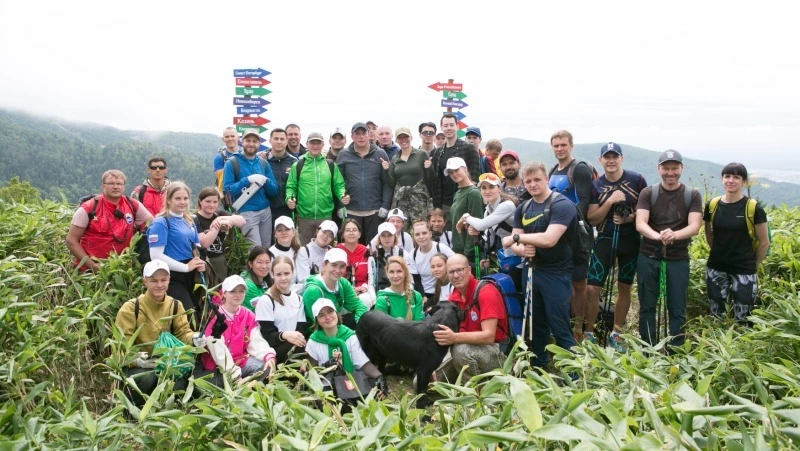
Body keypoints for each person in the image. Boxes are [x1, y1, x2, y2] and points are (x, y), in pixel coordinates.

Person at [502, 161, 578, 368]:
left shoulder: (562, 205)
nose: (533, 184)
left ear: (547, 180)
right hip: (532, 270)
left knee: (559, 323)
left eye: (537, 180)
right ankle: (539, 366)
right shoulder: (524, 208)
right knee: (535, 324)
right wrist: (522, 249)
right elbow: (514, 244)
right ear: (524, 183)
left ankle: (573, 371)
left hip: (556, 273)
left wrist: (519, 241)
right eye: (528, 181)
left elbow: (549, 239)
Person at [635, 150, 702, 349]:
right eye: (666, 168)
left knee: (677, 308)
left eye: (674, 168)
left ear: (681, 168)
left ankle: (676, 351)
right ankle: (648, 350)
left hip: (678, 257)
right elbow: (640, 223)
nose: (670, 173)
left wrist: (674, 235)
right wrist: (659, 237)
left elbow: (694, 226)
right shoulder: (648, 193)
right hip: (648, 255)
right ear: (659, 169)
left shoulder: (692, 195)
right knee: (647, 306)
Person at [114, 260, 202, 407]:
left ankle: (166, 412)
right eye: (154, 281)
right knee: (146, 378)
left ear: (169, 280)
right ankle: (130, 412)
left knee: (179, 375)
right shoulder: (130, 308)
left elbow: (183, 334)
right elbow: (119, 347)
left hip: (167, 363)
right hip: (139, 366)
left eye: (163, 280)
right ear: (145, 282)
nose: (159, 285)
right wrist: (137, 360)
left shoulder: (175, 304)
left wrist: (194, 338)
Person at [586, 143, 647, 349]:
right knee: (592, 288)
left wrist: (630, 218)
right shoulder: (596, 185)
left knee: (624, 286)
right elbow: (593, 219)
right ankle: (588, 333)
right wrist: (611, 201)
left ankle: (617, 333)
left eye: (615, 156)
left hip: (630, 239)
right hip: (604, 238)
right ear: (600, 160)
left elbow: (646, 212)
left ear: (621, 159)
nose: (611, 161)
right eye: (607, 157)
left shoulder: (637, 180)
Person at [704, 162, 769, 322]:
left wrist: (754, 265)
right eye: (727, 176)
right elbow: (709, 233)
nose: (730, 180)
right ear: (722, 179)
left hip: (744, 269)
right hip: (716, 267)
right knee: (716, 315)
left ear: (743, 181)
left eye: (736, 177)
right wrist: (718, 251)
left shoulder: (753, 208)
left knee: (744, 318)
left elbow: (764, 242)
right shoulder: (712, 205)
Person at [547, 130, 593, 342]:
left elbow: (584, 201)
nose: (559, 149)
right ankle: (565, 326)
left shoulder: (580, 169)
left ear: (571, 145)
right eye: (556, 145)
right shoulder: (554, 170)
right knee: (564, 281)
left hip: (576, 234)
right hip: (556, 233)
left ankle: (578, 329)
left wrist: (563, 221)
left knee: (579, 283)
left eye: (563, 145)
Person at [431, 254, 507, 381]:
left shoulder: (486, 292)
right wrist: (432, 364)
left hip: (494, 352)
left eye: (460, 270)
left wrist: (454, 338)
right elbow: (444, 335)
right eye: (451, 272)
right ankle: (466, 382)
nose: (456, 275)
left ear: (469, 270)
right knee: (424, 380)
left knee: (460, 350)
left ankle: (477, 392)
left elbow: (489, 336)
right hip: (466, 349)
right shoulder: (454, 298)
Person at [66, 169, 152, 271]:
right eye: (111, 183)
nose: (115, 187)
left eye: (119, 184)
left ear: (124, 186)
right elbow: (71, 240)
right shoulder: (88, 208)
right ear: (103, 186)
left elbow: (153, 224)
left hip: (123, 268)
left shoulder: (133, 205)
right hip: (90, 271)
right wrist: (92, 265)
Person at [200, 275, 277, 385]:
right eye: (233, 291)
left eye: (241, 291)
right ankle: (241, 385)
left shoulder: (248, 315)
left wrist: (268, 356)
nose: (238, 295)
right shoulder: (215, 316)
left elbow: (256, 341)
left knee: (264, 366)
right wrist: (234, 374)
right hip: (218, 366)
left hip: (240, 360)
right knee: (215, 386)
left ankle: (245, 387)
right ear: (224, 293)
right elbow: (218, 351)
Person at [306, 298, 388, 399]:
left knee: (376, 389)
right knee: (326, 401)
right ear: (317, 320)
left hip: (349, 380)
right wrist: (327, 368)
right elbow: (311, 373)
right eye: (321, 315)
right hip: (326, 385)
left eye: (330, 311)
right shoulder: (314, 341)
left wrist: (380, 376)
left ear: (336, 313)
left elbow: (363, 363)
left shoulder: (349, 336)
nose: (328, 317)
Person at [147, 182, 206, 317]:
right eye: (178, 198)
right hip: (173, 276)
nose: (182, 202)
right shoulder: (161, 222)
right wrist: (186, 267)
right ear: (168, 200)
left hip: (192, 274)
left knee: (199, 312)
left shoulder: (189, 221)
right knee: (188, 316)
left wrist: (200, 263)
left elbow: (197, 247)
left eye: (185, 198)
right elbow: (155, 256)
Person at [286, 132, 349, 243]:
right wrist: (289, 199)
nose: (315, 146)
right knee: (304, 250)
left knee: (326, 250)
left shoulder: (330, 165)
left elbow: (339, 185)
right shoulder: (298, 165)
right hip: (304, 217)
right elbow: (291, 187)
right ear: (307, 144)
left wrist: (342, 195)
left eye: (318, 143)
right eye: (312, 143)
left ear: (323, 144)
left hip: (325, 216)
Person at [336, 122, 393, 243]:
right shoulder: (343, 155)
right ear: (352, 136)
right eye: (357, 134)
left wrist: (385, 205)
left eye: (364, 133)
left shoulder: (380, 154)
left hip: (374, 211)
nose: (361, 137)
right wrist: (340, 205)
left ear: (369, 135)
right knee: (353, 246)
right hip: (351, 210)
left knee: (374, 248)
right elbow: (337, 183)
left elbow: (386, 182)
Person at [222, 129, 280, 248]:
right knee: (255, 249)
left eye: (254, 141)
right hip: (246, 212)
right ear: (242, 142)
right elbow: (227, 190)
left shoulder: (263, 163)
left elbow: (274, 190)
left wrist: (265, 181)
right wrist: (247, 180)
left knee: (266, 246)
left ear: (259, 144)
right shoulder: (232, 163)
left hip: (265, 212)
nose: (251, 144)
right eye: (248, 140)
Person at [255, 256, 307, 363]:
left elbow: (301, 329)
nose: (283, 278)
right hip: (273, 350)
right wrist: (285, 335)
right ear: (272, 275)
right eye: (279, 274)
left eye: (286, 273)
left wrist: (295, 338)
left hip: (293, 345)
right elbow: (267, 336)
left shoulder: (298, 299)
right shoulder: (266, 300)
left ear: (293, 272)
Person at [302, 248, 368, 329]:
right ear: (324, 265)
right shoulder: (313, 291)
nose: (337, 270)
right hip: (317, 333)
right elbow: (317, 325)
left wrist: (360, 326)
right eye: (334, 265)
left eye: (342, 266)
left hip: (333, 324)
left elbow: (359, 306)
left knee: (363, 320)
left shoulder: (342, 283)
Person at [194, 187, 246, 286]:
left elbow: (242, 221)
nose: (212, 205)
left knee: (222, 289)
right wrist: (217, 226)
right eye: (208, 201)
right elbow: (204, 242)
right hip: (205, 261)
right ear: (200, 201)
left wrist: (221, 218)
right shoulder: (195, 219)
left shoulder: (219, 214)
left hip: (220, 259)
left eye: (215, 201)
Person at [458, 172, 517, 258]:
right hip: (506, 257)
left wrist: (465, 216)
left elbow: (481, 225)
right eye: (484, 188)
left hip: (521, 256)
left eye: (491, 187)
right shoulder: (488, 211)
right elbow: (488, 242)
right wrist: (476, 234)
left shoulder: (507, 205)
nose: (487, 191)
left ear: (499, 189)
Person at [431, 113, 481, 213]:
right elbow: (436, 181)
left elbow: (475, 178)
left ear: (457, 126)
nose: (449, 128)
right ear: (441, 128)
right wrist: (437, 206)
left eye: (451, 125)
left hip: (463, 202)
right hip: (443, 204)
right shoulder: (437, 152)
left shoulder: (468, 148)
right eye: (445, 125)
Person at [387, 127, 435, 229]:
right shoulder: (395, 159)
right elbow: (391, 183)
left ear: (411, 138)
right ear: (396, 140)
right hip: (402, 201)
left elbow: (430, 179)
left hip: (419, 200)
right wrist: (385, 170)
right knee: (400, 230)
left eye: (406, 137)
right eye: (400, 137)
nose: (403, 140)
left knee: (420, 229)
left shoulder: (421, 154)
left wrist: (428, 168)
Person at [445, 157, 484, 264]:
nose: (454, 174)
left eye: (457, 170)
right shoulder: (458, 193)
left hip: (468, 252)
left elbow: (476, 224)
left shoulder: (473, 193)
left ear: (465, 170)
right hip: (457, 248)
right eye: (451, 172)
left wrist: (468, 253)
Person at [409, 220, 455, 310]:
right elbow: (416, 280)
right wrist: (422, 296)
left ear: (430, 234)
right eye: (417, 234)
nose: (421, 237)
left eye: (424, 233)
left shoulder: (440, 247)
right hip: (425, 294)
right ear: (413, 236)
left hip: (443, 291)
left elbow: (457, 262)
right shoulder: (412, 254)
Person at [337, 219, 376, 309]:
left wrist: (364, 286)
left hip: (362, 291)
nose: (351, 233)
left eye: (354, 230)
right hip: (342, 290)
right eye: (347, 230)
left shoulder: (366, 251)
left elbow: (371, 275)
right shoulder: (337, 250)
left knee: (365, 300)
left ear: (359, 234)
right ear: (342, 234)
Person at [264, 128, 298, 227]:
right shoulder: (262, 160)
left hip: (288, 209)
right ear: (270, 141)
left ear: (287, 141)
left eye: (282, 139)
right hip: (267, 209)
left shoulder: (294, 161)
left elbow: (297, 185)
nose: (279, 142)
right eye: (276, 138)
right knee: (268, 241)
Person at [375, 256, 425, 321]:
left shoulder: (416, 296)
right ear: (387, 274)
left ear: (405, 273)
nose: (395, 276)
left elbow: (419, 324)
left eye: (399, 271)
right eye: (391, 272)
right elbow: (381, 327)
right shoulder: (382, 300)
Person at [371, 222, 411, 291]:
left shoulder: (403, 254)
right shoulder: (374, 256)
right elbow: (371, 281)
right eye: (383, 235)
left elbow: (409, 277)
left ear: (394, 236)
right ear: (379, 237)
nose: (386, 238)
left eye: (389, 235)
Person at [241, 246, 273, 312]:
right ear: (250, 264)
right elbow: (262, 310)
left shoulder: (265, 280)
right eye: (259, 262)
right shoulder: (248, 285)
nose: (264, 266)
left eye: (267, 262)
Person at [214, 126, 241, 193]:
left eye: (232, 136)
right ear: (223, 139)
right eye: (227, 137)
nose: (230, 139)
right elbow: (223, 179)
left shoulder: (246, 154)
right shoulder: (219, 158)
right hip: (229, 195)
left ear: (238, 138)